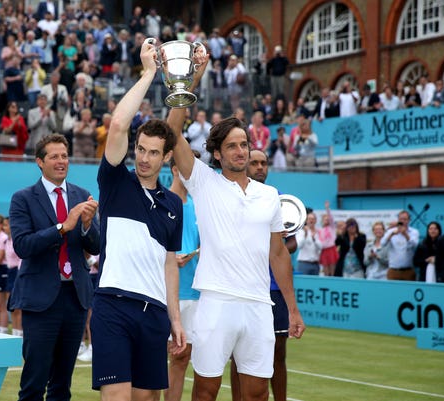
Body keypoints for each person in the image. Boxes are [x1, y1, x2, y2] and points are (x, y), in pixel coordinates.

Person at [168, 47, 305, 401]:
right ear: (217, 153)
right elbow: (171, 132)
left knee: (257, 393)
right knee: (206, 391)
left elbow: (278, 254)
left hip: (260, 304)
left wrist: (291, 307)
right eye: (232, 146)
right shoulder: (203, 181)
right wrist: (192, 79)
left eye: (244, 144)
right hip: (216, 301)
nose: (241, 151)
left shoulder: (270, 194)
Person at [90, 39, 185, 401]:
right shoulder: (116, 182)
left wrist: (176, 320)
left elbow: (169, 266)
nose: (144, 158)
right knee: (117, 397)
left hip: (155, 313)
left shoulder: (173, 204)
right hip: (112, 305)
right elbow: (117, 124)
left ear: (165, 158)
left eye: (153, 153)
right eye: (140, 150)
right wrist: (149, 73)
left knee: (147, 399)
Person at [8, 133, 100, 401]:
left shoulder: (82, 195)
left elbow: (96, 246)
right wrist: (63, 227)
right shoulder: (23, 198)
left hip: (75, 297)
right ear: (40, 162)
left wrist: (85, 225)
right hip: (40, 300)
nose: (61, 161)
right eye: (54, 156)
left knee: (62, 384)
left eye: (64, 155)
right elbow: (23, 246)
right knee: (34, 382)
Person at [229, 149, 298, 401]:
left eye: (264, 163)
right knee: (239, 355)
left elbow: (291, 244)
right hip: (243, 288)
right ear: (245, 165)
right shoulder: (233, 196)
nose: (259, 167)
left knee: (278, 353)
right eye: (254, 162)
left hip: (274, 288)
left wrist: (272, 247)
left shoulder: (276, 199)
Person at [163, 152, 202, 401]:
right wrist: (168, 258)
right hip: (167, 293)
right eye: (188, 167)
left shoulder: (201, 203)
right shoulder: (162, 200)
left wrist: (198, 252)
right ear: (176, 169)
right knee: (162, 360)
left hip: (198, 293)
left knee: (183, 359)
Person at [381, 211, 419, 281]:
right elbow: (382, 243)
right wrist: (391, 234)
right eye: (401, 219)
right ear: (398, 220)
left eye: (405, 219)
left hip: (408, 270)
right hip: (393, 270)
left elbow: (415, 245)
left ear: (409, 220)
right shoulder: (391, 231)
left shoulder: (414, 232)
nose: (403, 221)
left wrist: (405, 234)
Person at [318, 201, 338, 276]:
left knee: (332, 271)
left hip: (331, 249)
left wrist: (327, 208)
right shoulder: (320, 230)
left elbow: (331, 217)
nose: (327, 220)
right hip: (324, 251)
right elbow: (320, 241)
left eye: (328, 219)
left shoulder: (332, 227)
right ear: (322, 220)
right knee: (326, 271)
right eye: (325, 219)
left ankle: (333, 282)